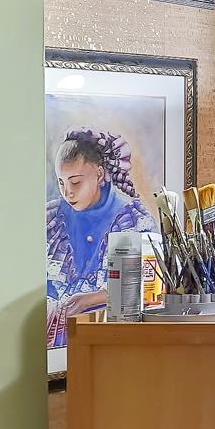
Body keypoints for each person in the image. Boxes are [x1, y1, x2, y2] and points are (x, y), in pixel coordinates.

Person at [46, 126, 149, 352]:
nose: (67, 192)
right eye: (61, 182)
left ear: (100, 174)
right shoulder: (52, 217)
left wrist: (89, 299)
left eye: (75, 182)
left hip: (115, 340)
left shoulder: (132, 219)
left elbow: (148, 287)